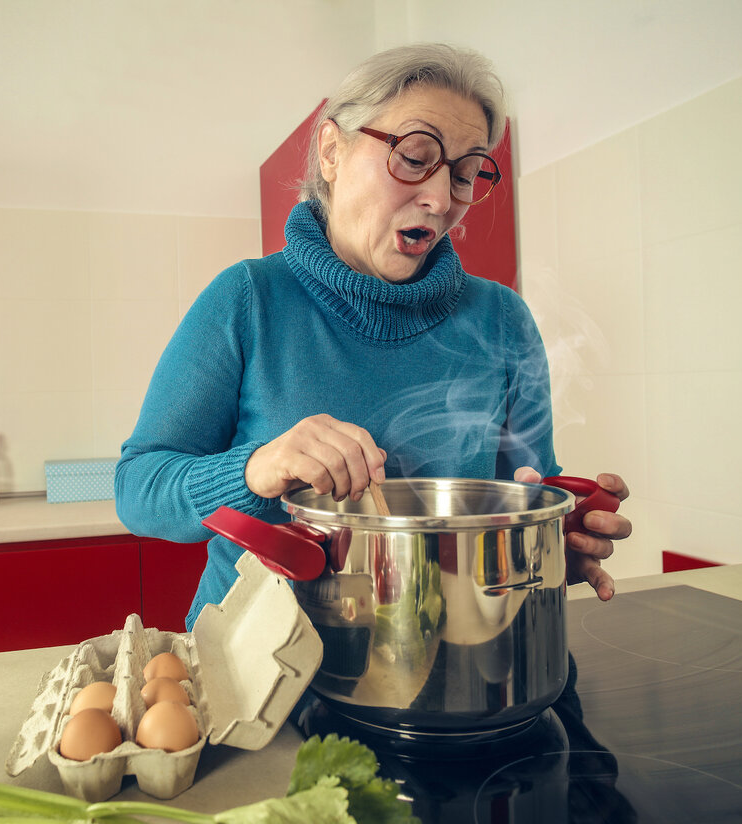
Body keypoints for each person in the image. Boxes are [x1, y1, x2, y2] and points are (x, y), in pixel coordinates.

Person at [115, 43, 632, 630]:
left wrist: (555, 544)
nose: (441, 201)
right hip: (257, 668)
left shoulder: (501, 320)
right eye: (415, 157)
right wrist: (257, 468)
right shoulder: (248, 300)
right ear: (332, 150)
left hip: (446, 657)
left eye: (464, 174)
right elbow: (138, 489)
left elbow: (526, 497)